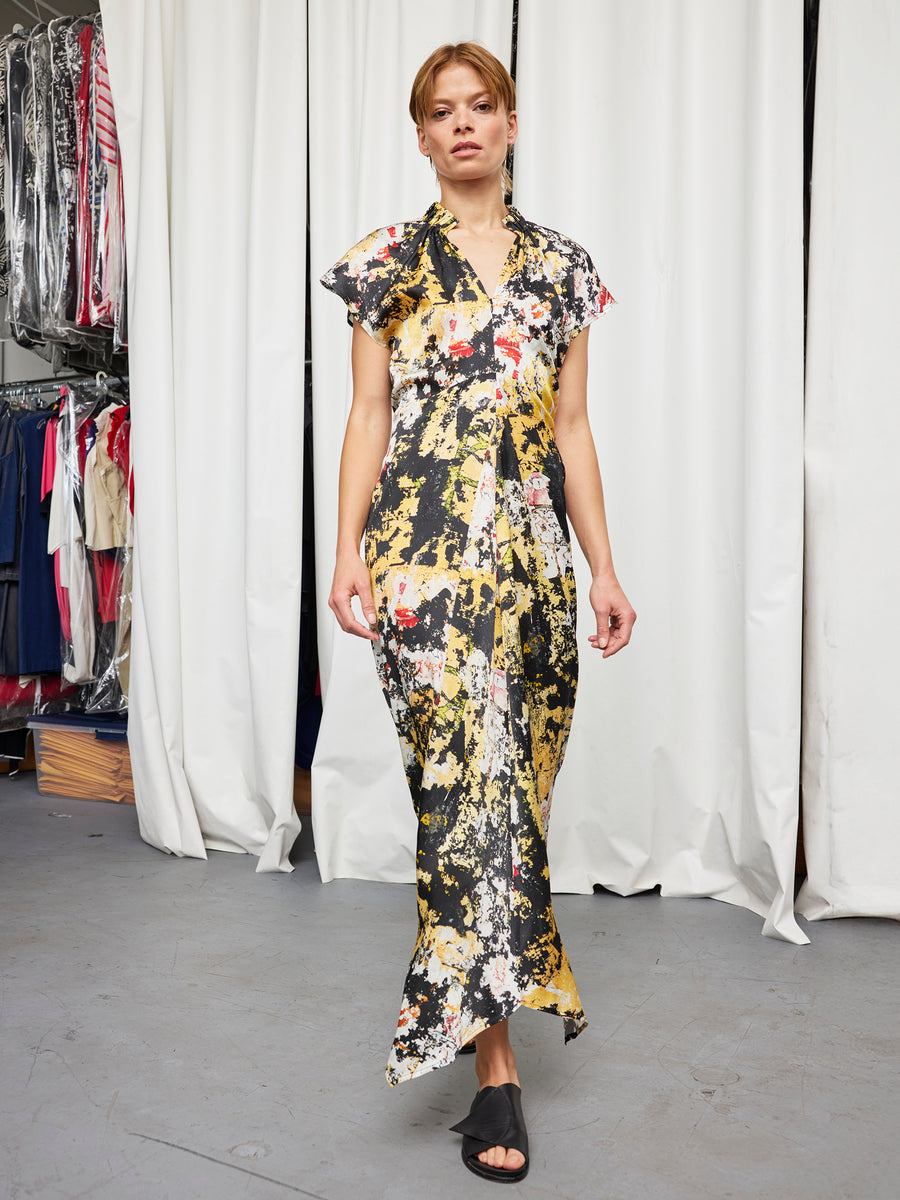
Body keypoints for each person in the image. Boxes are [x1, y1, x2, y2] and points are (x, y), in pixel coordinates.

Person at [322, 41, 636, 1185]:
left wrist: (603, 569)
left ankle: (486, 1024)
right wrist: (347, 551)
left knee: (522, 807)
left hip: (537, 575)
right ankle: (493, 1074)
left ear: (510, 124)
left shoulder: (564, 270)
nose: (463, 127)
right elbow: (366, 417)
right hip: (421, 572)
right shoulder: (388, 262)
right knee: (463, 804)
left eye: (481, 107)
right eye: (441, 113)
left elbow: (572, 432)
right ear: (421, 138)